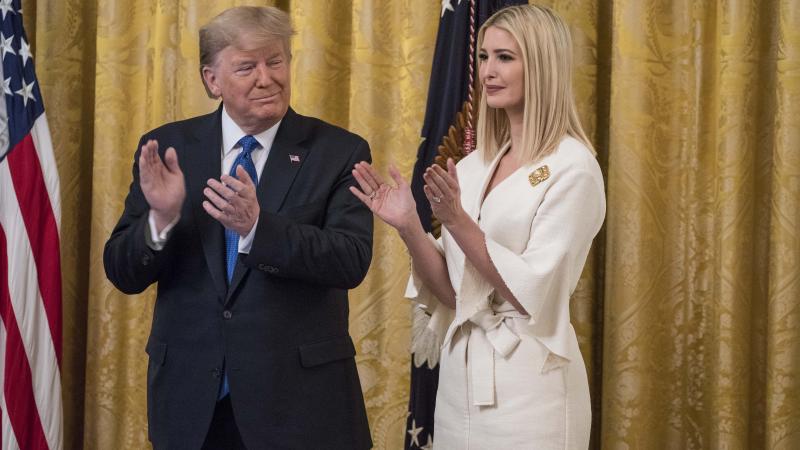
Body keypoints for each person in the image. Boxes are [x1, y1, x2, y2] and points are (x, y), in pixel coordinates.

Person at [103, 6, 373, 449]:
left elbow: (350, 260)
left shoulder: (339, 151)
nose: (266, 78)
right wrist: (161, 219)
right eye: (247, 66)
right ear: (212, 80)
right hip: (193, 410)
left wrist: (258, 228)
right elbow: (122, 272)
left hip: (301, 410)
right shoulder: (170, 148)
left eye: (276, 61)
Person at [351, 4, 604, 449]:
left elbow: (531, 293)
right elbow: (453, 295)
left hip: (531, 386)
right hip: (458, 384)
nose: (488, 71)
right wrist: (409, 225)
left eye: (505, 57)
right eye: (484, 57)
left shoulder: (572, 167)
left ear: (543, 64)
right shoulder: (471, 167)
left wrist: (458, 221)